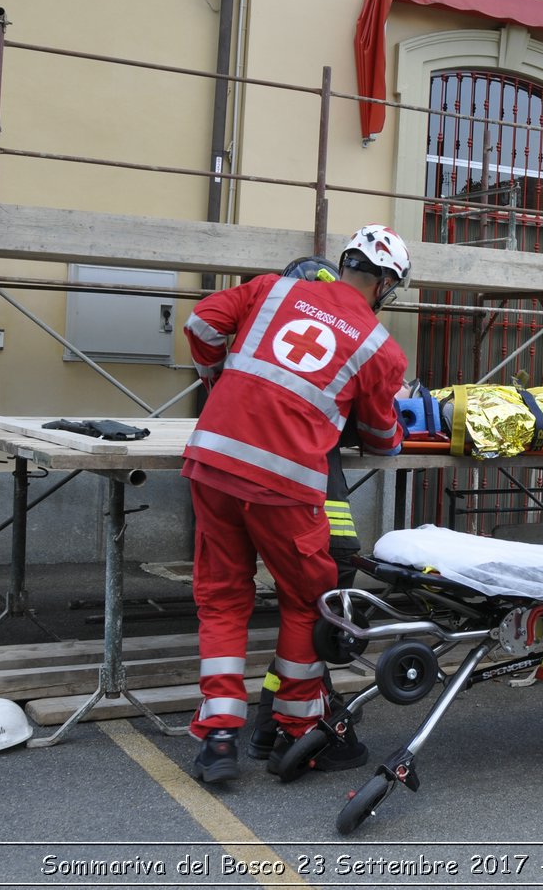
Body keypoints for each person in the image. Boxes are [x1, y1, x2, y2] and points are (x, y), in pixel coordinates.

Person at [183, 226, 412, 785]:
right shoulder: (379, 347)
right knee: (311, 602)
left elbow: (202, 323)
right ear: (384, 283)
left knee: (221, 598)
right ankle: (295, 724)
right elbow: (383, 439)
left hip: (213, 461)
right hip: (285, 482)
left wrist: (216, 375)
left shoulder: (273, 289)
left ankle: (218, 735)